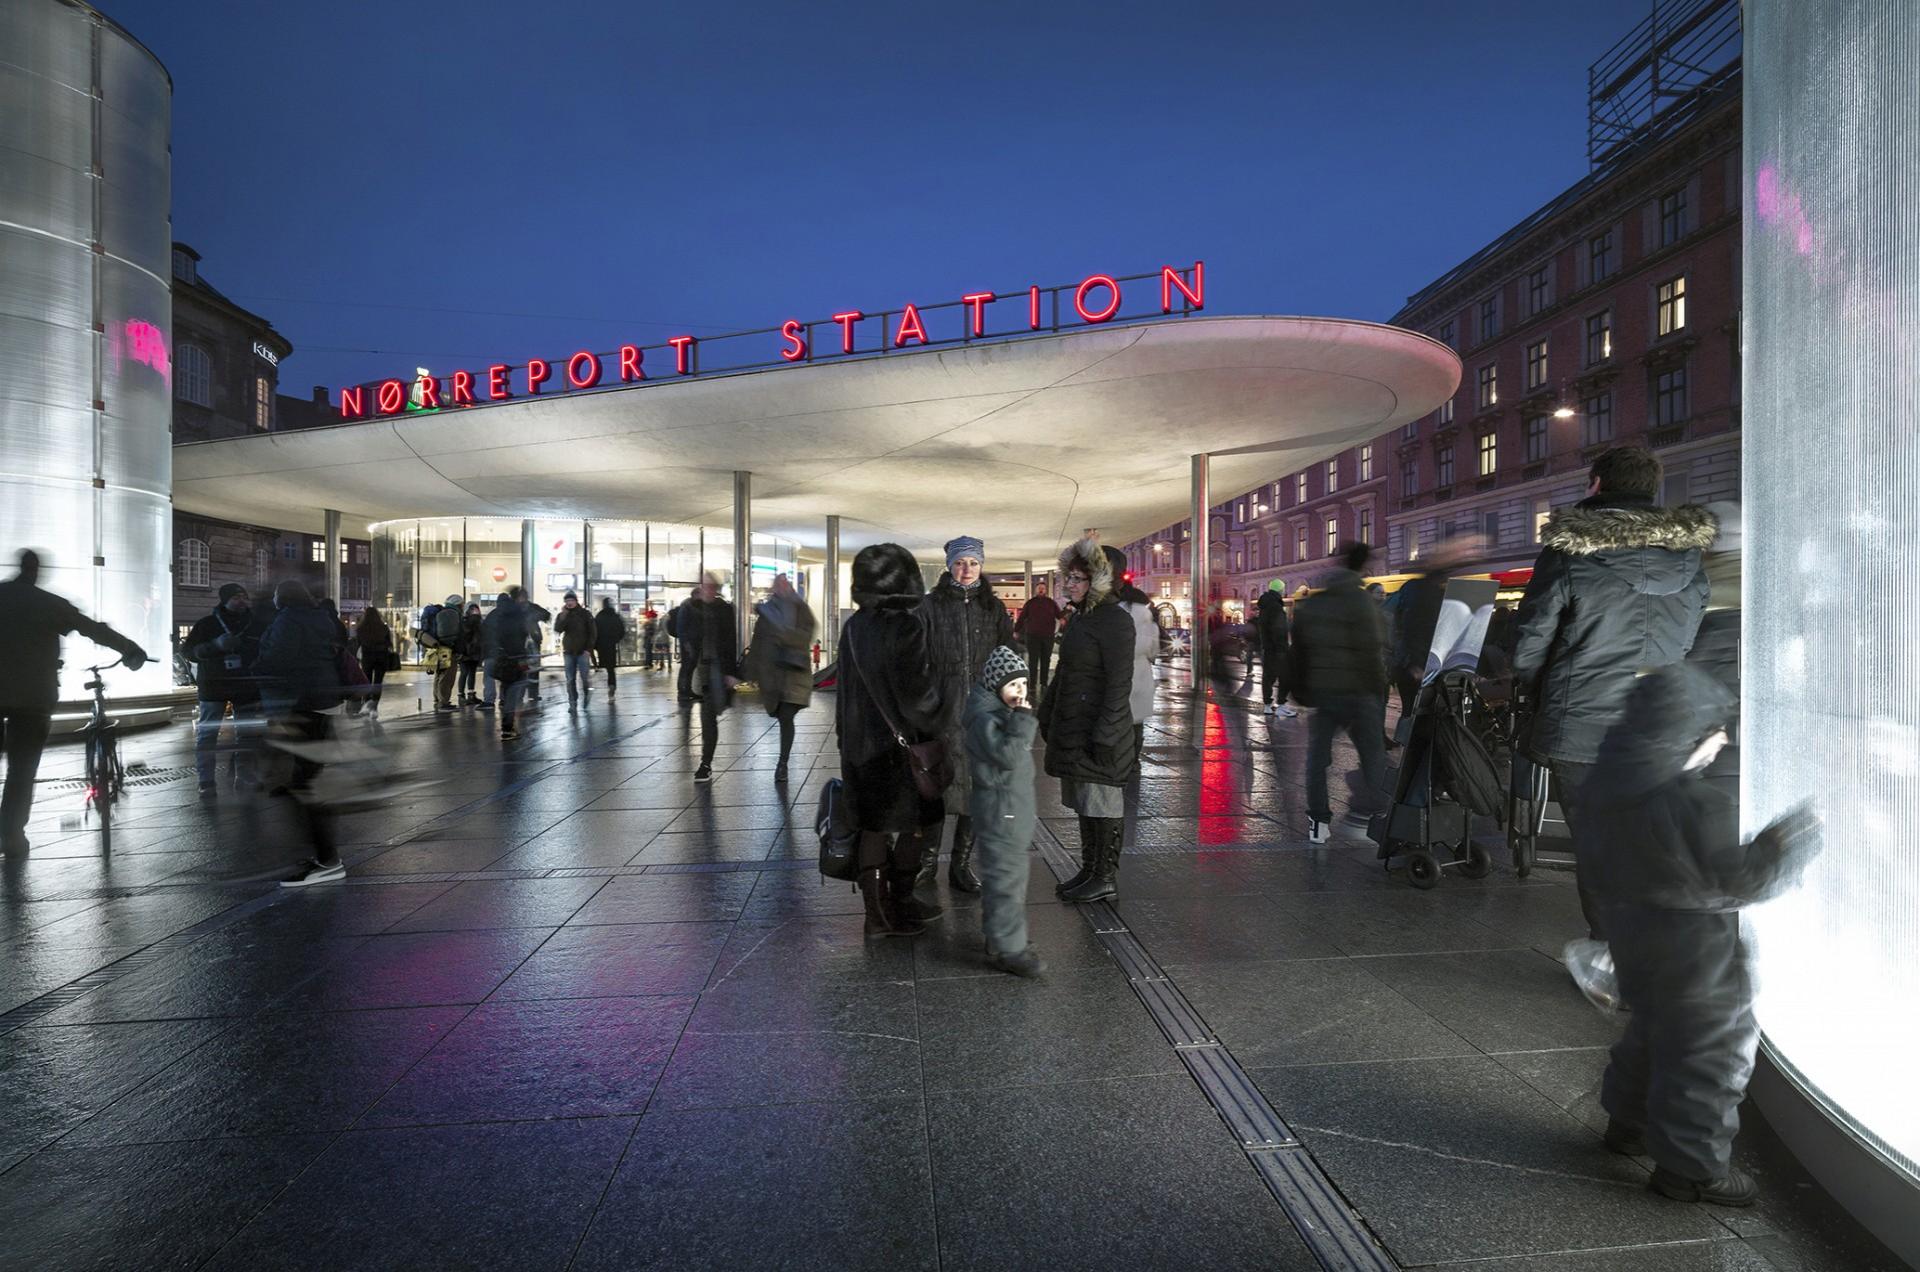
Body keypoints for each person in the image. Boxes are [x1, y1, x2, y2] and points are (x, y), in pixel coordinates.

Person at [1579, 664, 1821, 1207]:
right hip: (1697, 949)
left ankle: (1629, 1124)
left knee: (1652, 1028)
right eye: (1716, 729)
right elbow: (1741, 878)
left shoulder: (1607, 782)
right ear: (1686, 736)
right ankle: (1690, 1170)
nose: (1724, 739)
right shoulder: (1694, 802)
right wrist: (1789, 842)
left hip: (1634, 937)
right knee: (1709, 1051)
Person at [1512, 446, 1714, 947]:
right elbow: (1691, 634)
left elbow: (1531, 640)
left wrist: (1536, 681)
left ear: (1597, 484)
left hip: (1583, 722)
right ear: (1652, 489)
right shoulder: (1689, 558)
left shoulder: (1570, 552)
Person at [0, 550, 149, 853]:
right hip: (32, 696)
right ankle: (11, 835)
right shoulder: (46, 603)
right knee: (22, 768)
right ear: (35, 571)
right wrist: (130, 648)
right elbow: (90, 628)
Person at [836, 543, 946, 939]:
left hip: (859, 749)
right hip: (900, 751)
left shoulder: (853, 627)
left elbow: (844, 690)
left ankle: (875, 917)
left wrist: (845, 741)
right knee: (917, 826)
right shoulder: (906, 626)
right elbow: (918, 697)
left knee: (873, 828)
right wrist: (941, 719)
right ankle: (900, 902)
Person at [1041, 537, 1139, 903]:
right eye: (1069, 577)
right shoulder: (1083, 618)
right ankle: (1088, 869)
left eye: (1078, 579)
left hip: (1100, 730)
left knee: (1103, 801)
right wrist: (1047, 712)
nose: (1069, 584)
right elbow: (1065, 672)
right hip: (1076, 725)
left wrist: (1107, 734)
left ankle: (1105, 875)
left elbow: (1118, 684)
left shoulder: (1115, 620)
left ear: (1099, 581)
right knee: (1085, 800)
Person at [918, 535, 1013, 895]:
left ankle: (960, 863)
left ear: (982, 566)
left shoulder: (993, 608)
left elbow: (1009, 656)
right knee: (935, 785)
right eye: (960, 562)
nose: (967, 569)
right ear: (949, 566)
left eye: (973, 563)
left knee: (977, 787)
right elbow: (916, 657)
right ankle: (925, 864)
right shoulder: (930, 607)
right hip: (941, 710)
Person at [1290, 542, 1390, 843]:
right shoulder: (1363, 603)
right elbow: (1373, 650)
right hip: (1359, 692)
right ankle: (1378, 817)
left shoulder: (1314, 604)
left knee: (1318, 760)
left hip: (1324, 693)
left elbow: (1299, 651)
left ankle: (1318, 823)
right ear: (1361, 568)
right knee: (1373, 756)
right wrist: (1377, 689)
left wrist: (1304, 690)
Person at [255, 579, 349, 886]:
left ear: (281, 599)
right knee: (307, 777)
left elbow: (278, 658)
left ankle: (328, 861)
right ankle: (325, 857)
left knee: (305, 784)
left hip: (303, 701)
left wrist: (255, 667)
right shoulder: (321, 617)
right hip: (325, 699)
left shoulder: (288, 620)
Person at [965, 645, 1045, 977]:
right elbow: (1009, 758)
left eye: (1023, 685)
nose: (1020, 692)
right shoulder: (986, 719)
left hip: (1009, 810)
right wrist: (1024, 722)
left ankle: (999, 939)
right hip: (1002, 813)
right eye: (1013, 685)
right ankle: (1010, 949)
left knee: (1007, 877)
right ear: (996, 685)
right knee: (1006, 880)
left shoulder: (999, 714)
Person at [184, 582, 265, 798]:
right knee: (208, 733)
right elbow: (188, 651)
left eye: (243, 597)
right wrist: (215, 646)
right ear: (225, 600)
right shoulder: (207, 624)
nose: (241, 601)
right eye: (236, 597)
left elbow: (264, 649)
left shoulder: (255, 624)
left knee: (246, 734)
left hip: (245, 684)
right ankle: (206, 781)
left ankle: (244, 776)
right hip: (214, 684)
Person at [745, 573, 816, 784]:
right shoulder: (767, 614)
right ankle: (782, 762)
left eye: (784, 584)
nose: (782, 588)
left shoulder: (801, 609)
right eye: (779, 584)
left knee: (786, 717)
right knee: (778, 713)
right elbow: (757, 644)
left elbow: (806, 635)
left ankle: (782, 763)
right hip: (773, 672)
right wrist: (748, 674)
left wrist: (783, 635)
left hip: (795, 672)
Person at [681, 573, 741, 782]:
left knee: (709, 715)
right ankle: (706, 764)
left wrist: (731, 672)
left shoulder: (724, 609)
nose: (707, 590)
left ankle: (706, 762)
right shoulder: (691, 607)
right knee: (707, 716)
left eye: (711, 586)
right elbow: (680, 631)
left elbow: (730, 640)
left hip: (717, 668)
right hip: (700, 667)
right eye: (704, 586)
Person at [1104, 546, 1160, 755]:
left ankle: (1119, 757)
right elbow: (1154, 645)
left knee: (1117, 718)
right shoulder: (1143, 613)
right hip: (1141, 672)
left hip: (1118, 673)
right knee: (1137, 722)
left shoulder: (1113, 612)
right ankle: (1134, 759)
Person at [483, 586, 535, 740]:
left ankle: (507, 720)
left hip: (499, 656)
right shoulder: (518, 613)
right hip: (515, 656)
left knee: (506, 687)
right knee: (514, 691)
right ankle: (507, 727)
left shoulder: (494, 615)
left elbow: (486, 633)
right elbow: (524, 632)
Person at [1254, 579, 1298, 719]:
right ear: (1280, 590)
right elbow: (1279, 629)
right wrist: (1283, 648)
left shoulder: (1264, 606)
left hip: (1267, 648)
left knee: (1268, 677)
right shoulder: (1276, 607)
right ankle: (1281, 706)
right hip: (1278, 649)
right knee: (1286, 677)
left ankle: (1267, 705)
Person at [1013, 581, 1061, 699]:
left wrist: (1066, 615)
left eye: (1043, 588)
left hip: (1048, 636)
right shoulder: (1030, 603)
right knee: (1033, 661)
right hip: (1032, 636)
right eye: (1039, 588)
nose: (1041, 590)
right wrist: (1016, 630)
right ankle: (1032, 684)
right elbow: (1022, 617)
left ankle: (1044, 683)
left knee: (1046, 660)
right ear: (1036, 590)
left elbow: (1059, 615)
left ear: (1045, 590)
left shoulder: (1051, 603)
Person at [554, 591, 594, 709]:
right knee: (570, 679)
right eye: (567, 601)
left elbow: (592, 632)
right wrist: (563, 616)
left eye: (571, 601)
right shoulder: (563, 615)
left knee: (584, 677)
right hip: (569, 651)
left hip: (583, 651)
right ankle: (573, 701)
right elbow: (558, 629)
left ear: (576, 601)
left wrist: (588, 649)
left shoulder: (585, 614)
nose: (569, 603)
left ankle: (586, 694)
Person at [353, 607, 394, 713]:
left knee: (367, 681)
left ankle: (367, 704)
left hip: (367, 658)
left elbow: (358, 644)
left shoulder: (361, 628)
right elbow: (389, 644)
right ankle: (374, 707)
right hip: (381, 657)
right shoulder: (383, 628)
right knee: (378, 683)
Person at [593, 597, 627, 693]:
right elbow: (622, 630)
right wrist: (616, 640)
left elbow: (594, 631)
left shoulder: (599, 616)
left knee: (603, 665)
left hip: (601, 645)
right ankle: (612, 685)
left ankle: (607, 683)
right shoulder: (615, 616)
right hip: (611, 645)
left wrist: (595, 644)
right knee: (611, 668)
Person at [454, 603, 484, 707]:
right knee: (465, 672)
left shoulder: (476, 622)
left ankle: (470, 694)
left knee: (471, 673)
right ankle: (461, 696)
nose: (475, 611)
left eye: (476, 609)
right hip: (466, 652)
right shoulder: (466, 622)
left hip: (473, 651)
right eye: (472, 610)